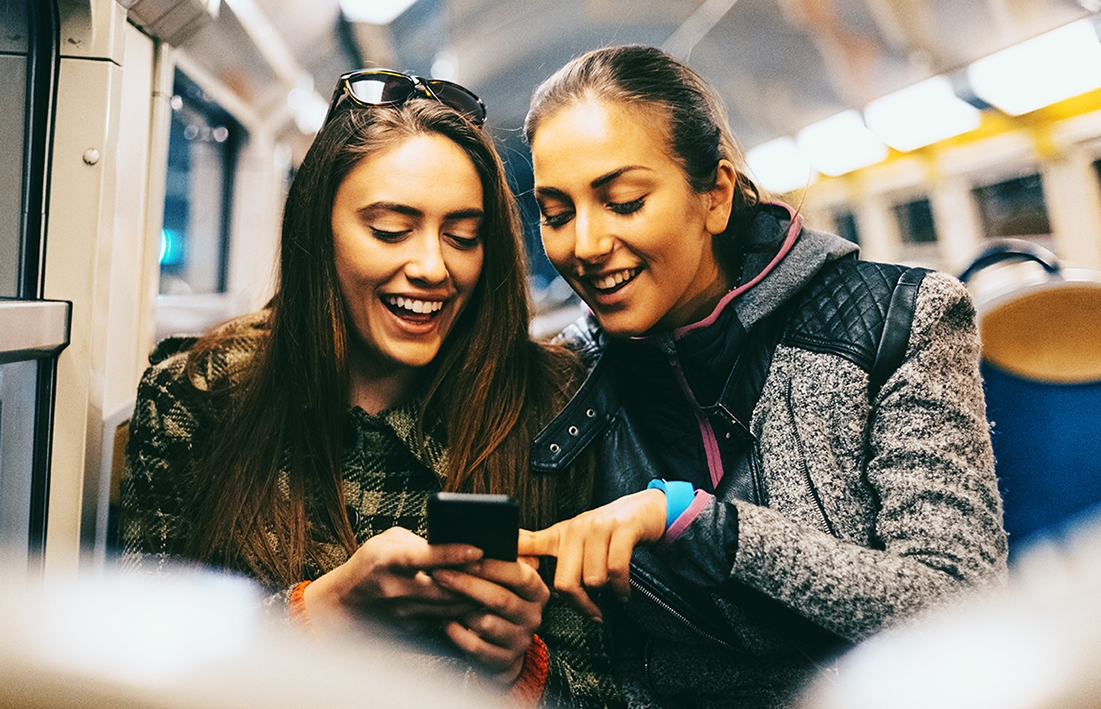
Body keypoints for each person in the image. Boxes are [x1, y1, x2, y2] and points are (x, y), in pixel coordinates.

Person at [518, 45, 1008, 708]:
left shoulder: (899, 322)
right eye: (555, 213)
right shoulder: (568, 379)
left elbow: (961, 607)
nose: (584, 242)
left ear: (715, 196)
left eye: (624, 202)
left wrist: (695, 521)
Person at [121, 70, 614, 707]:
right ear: (318, 232)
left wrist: (516, 673)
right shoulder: (198, 399)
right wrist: (320, 613)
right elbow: (141, 662)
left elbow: (615, 690)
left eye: (463, 237)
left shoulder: (552, 409)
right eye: (390, 230)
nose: (434, 267)